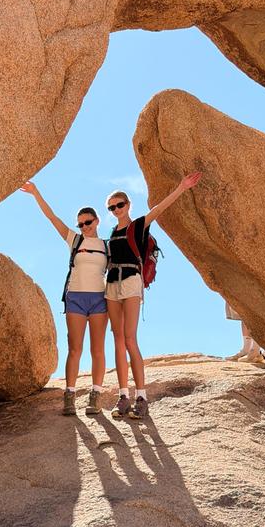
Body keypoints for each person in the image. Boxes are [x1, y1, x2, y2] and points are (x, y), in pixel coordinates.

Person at [106, 172, 202, 419]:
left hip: (130, 282)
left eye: (120, 205)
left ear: (128, 205)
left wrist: (181, 188)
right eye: (112, 207)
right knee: (117, 341)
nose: (116, 210)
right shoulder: (111, 234)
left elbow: (159, 209)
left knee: (129, 339)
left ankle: (141, 397)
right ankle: (123, 397)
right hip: (111, 285)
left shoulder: (138, 225)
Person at [20, 181, 109, 416]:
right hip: (75, 298)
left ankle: (95, 396)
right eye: (80, 224)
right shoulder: (74, 240)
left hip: (100, 299)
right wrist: (36, 193)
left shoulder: (107, 246)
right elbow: (52, 218)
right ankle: (69, 395)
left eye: (88, 223)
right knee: (75, 349)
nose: (84, 227)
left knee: (97, 349)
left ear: (97, 221)